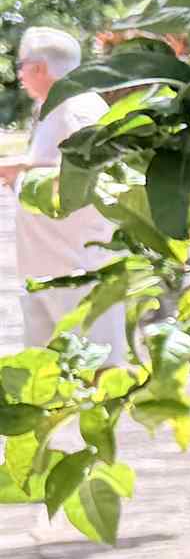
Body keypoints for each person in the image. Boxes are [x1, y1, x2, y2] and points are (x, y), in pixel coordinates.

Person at [1, 24, 125, 362]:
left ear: (39, 67)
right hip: (47, 272)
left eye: (22, 66)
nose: (20, 75)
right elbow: (57, 162)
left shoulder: (78, 107)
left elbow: (97, 170)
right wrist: (24, 168)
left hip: (78, 271)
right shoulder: (52, 108)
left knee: (97, 370)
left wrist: (25, 178)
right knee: (44, 377)